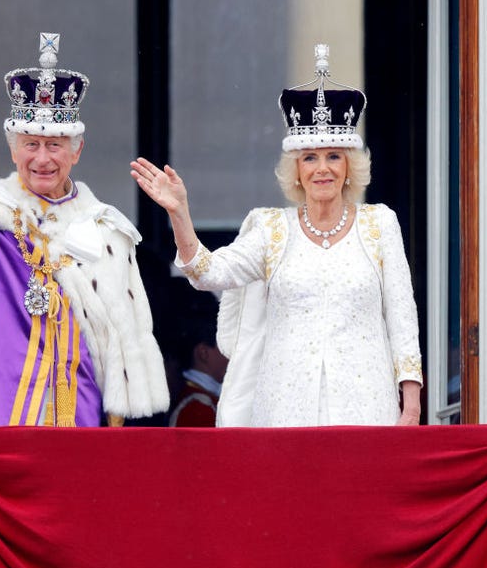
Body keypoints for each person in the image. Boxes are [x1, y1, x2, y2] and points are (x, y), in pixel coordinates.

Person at [130, 44, 422, 427]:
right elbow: (209, 273)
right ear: (295, 169)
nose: (322, 169)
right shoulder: (271, 229)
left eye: (334, 156)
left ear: (350, 166)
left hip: (366, 407)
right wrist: (180, 213)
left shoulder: (380, 224)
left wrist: (411, 405)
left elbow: (402, 318)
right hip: (285, 410)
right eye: (310, 158)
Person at [0, 32, 169, 428]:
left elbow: (122, 340)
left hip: (79, 407)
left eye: (55, 145)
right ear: (12, 149)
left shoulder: (105, 229)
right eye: (30, 144)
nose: (42, 158)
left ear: (77, 151)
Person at [170, 306, 228, 427]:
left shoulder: (202, 401)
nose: (229, 355)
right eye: (225, 347)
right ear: (204, 353)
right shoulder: (197, 408)